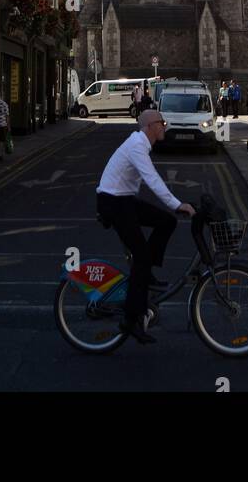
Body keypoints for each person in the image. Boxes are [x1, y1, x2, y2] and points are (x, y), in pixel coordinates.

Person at [96, 110, 196, 345]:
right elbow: (153, 180)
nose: (164, 126)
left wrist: (174, 209)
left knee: (167, 221)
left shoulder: (141, 144)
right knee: (140, 257)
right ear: (150, 125)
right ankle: (131, 319)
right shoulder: (137, 146)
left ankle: (147, 274)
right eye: (162, 123)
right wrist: (178, 204)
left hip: (124, 200)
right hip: (113, 203)